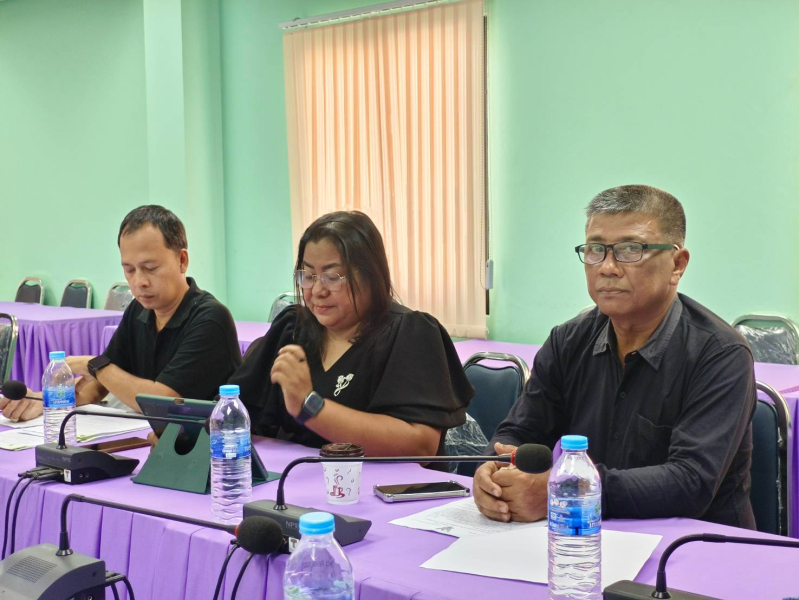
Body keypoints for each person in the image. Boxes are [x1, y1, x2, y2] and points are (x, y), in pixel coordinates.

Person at [474, 185, 756, 529]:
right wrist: (493, 472)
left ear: (677, 264)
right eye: (595, 250)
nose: (607, 267)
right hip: (578, 536)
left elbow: (691, 481)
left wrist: (567, 491)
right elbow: (519, 432)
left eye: (630, 250)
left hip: (691, 544)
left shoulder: (720, 354)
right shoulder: (567, 341)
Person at [230, 211, 472, 457]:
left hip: (378, 479)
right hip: (295, 475)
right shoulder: (292, 328)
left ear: (370, 276)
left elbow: (421, 445)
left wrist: (310, 407)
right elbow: (233, 411)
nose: (317, 290)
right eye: (308, 276)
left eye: (332, 277)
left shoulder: (409, 333)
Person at [0, 205, 241, 421]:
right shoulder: (139, 310)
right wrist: (44, 400)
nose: (139, 281)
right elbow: (99, 385)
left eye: (150, 268)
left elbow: (163, 402)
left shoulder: (210, 318)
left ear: (182, 260)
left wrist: (95, 365)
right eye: (129, 270)